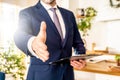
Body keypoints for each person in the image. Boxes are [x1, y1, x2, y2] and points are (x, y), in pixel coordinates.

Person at [14, 0, 86, 80]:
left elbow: (78, 42)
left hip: (67, 75)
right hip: (41, 76)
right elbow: (19, 35)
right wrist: (32, 43)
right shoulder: (27, 13)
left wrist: (80, 57)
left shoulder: (69, 15)